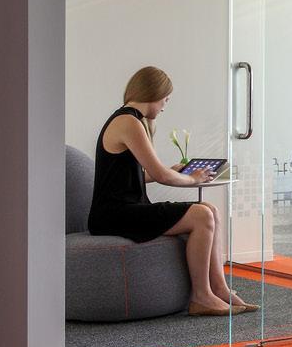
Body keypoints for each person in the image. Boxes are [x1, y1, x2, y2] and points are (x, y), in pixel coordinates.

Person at [89, 66, 256, 316]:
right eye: (166, 99)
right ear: (154, 94)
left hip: (125, 210)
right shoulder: (128, 122)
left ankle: (219, 288)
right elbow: (161, 176)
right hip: (114, 215)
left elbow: (139, 175)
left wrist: (174, 170)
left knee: (210, 210)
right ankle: (201, 296)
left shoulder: (133, 120)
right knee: (201, 215)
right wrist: (192, 178)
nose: (165, 106)